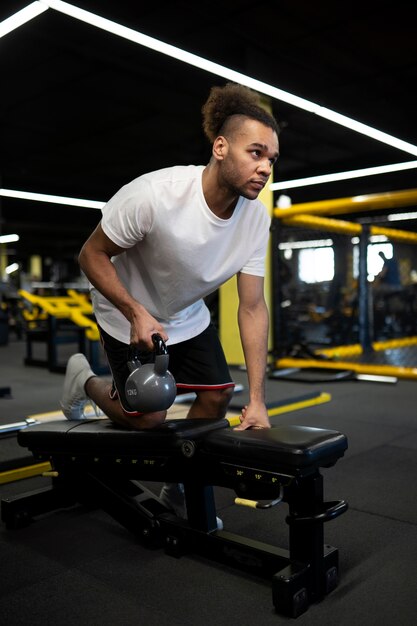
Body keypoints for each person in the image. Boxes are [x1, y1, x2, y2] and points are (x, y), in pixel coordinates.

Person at [61, 82, 279, 446]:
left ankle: (177, 486)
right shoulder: (154, 195)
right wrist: (134, 312)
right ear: (220, 147)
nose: (265, 168)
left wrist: (257, 400)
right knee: (149, 415)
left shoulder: (256, 220)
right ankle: (83, 379)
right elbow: (90, 255)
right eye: (255, 153)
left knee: (219, 395)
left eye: (271, 159)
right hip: (126, 311)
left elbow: (253, 307)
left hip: (186, 314)